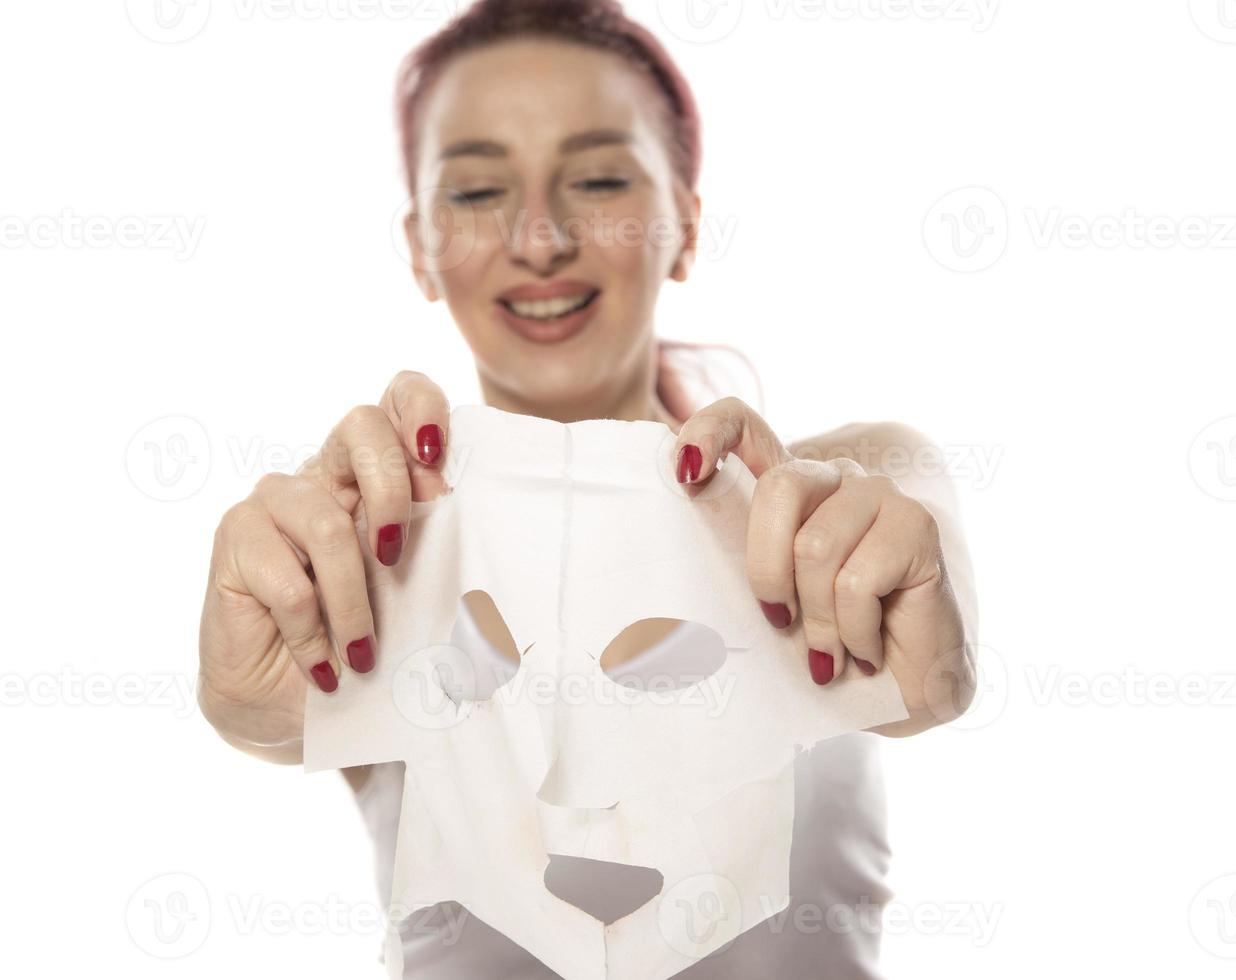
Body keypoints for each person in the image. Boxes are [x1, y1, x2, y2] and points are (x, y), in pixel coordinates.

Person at [197, 1, 977, 975]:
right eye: (478, 191)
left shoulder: (840, 493)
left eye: (600, 178)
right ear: (419, 248)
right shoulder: (376, 553)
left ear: (684, 225)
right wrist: (253, 677)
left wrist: (923, 630)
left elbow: (932, 656)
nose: (539, 238)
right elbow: (268, 713)